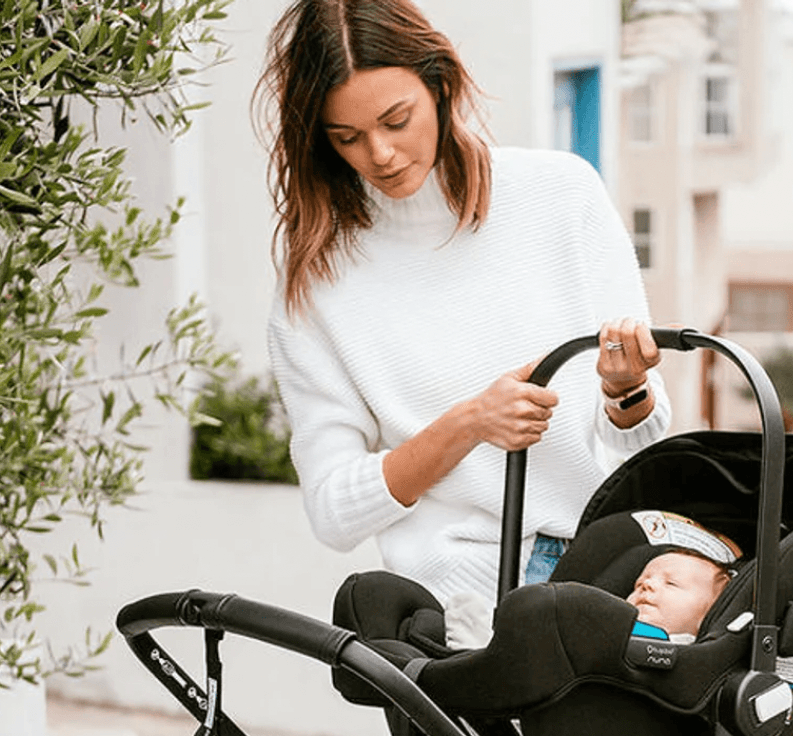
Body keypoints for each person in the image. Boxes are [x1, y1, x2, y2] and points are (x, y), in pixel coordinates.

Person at [258, 0, 671, 607]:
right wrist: (468, 424)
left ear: (440, 85)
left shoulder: (561, 195)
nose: (381, 155)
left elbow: (645, 443)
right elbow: (333, 510)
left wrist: (626, 390)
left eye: (396, 120)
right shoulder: (318, 283)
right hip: (462, 609)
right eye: (347, 137)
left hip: (608, 580)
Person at [443, 547, 732, 650]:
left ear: (709, 615)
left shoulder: (690, 652)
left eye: (671, 583)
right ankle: (487, 652)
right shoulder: (615, 621)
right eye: (640, 582)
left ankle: (483, 655)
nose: (648, 586)